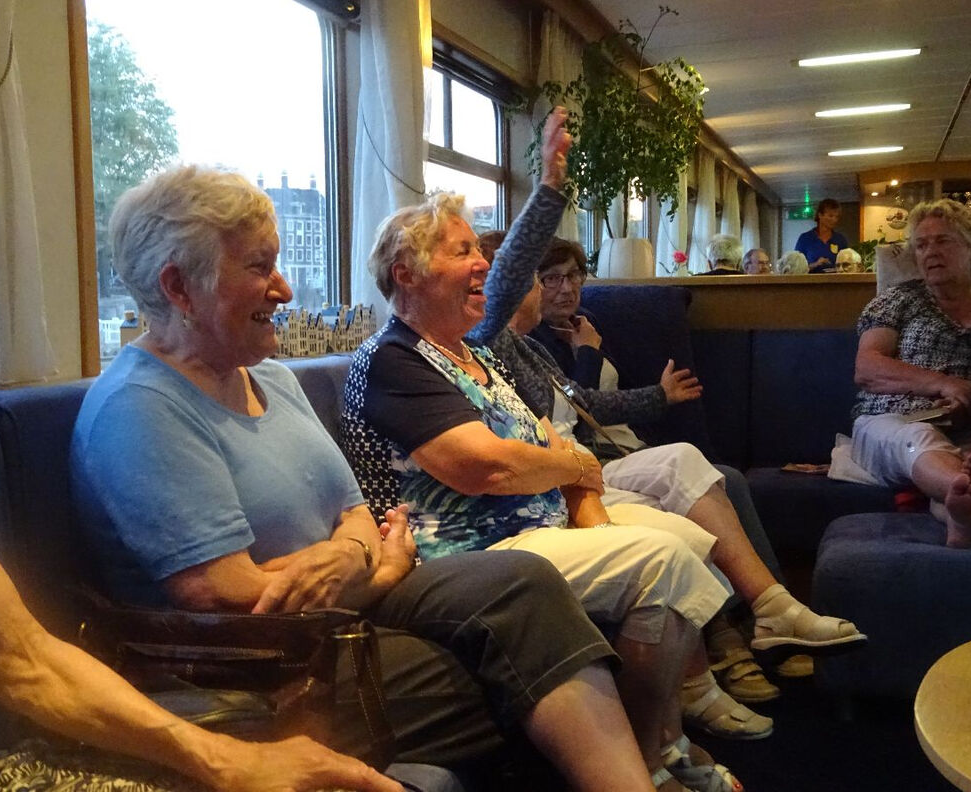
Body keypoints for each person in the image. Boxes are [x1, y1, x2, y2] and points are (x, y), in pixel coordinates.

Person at [71, 162, 657, 792]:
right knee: (516, 670)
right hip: (258, 663)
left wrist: (350, 555)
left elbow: (354, 514)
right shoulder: (141, 408)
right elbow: (227, 594)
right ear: (179, 288)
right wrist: (375, 570)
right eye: (259, 267)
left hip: (345, 607)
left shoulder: (270, 378)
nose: (284, 289)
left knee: (523, 582)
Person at [345, 110, 744, 792]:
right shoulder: (393, 359)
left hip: (534, 525)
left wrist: (577, 484)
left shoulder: (470, 353)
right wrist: (576, 468)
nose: (482, 264)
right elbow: (488, 467)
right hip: (463, 552)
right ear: (406, 274)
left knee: (688, 541)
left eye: (479, 251)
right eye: (462, 252)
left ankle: (662, 737)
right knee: (664, 563)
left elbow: (545, 439)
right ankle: (653, 755)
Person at [478, 229, 867, 724]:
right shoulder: (507, 344)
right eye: (544, 278)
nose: (559, 288)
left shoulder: (545, 343)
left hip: (603, 458)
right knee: (690, 487)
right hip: (579, 470)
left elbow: (580, 402)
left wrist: (656, 393)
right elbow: (571, 412)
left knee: (706, 471)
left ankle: (765, 616)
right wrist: (604, 365)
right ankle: (736, 637)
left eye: (571, 276)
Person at [0, 509, 401, 792]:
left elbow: (24, 661)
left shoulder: (281, 396)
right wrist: (377, 571)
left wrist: (227, 760)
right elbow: (230, 592)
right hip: (274, 646)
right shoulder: (139, 419)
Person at [851, 198, 971, 549]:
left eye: (943, 240)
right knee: (920, 438)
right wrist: (946, 384)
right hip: (892, 420)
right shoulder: (897, 300)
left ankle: (960, 515)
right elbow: (867, 367)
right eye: (921, 245)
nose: (930, 251)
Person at [795, 199, 848, 273]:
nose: (834, 220)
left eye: (837, 217)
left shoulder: (840, 240)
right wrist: (815, 264)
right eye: (831, 216)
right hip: (811, 279)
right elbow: (796, 268)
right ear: (820, 215)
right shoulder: (805, 238)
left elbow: (847, 266)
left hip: (835, 279)